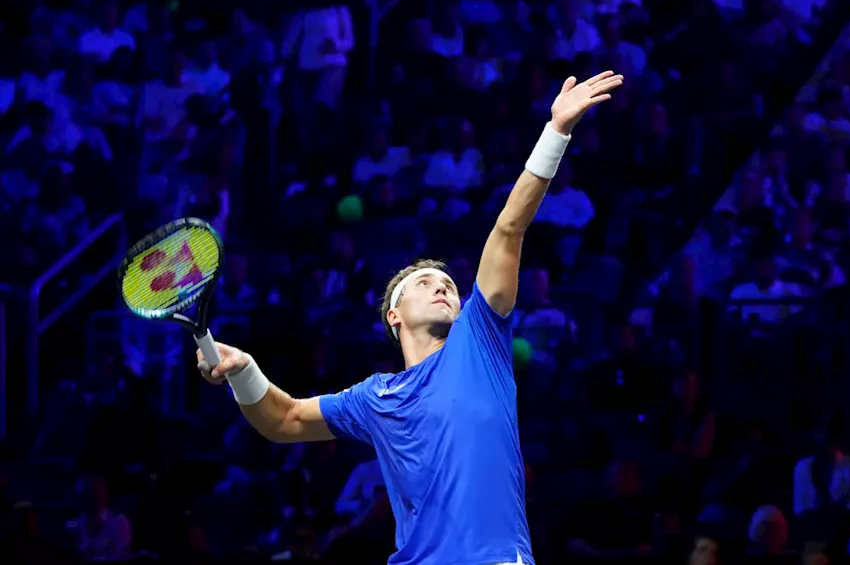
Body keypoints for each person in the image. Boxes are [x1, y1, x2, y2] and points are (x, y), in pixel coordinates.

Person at [196, 71, 626, 565]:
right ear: (395, 316)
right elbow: (285, 419)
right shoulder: (374, 397)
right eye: (424, 283)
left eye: (448, 284)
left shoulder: (479, 341)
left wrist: (556, 132)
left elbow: (509, 228)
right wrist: (245, 370)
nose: (443, 286)